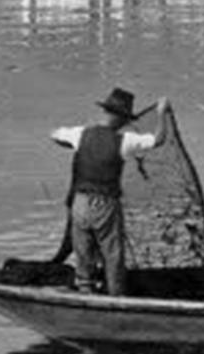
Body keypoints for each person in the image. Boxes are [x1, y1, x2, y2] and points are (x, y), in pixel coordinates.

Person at [50, 87, 172, 295]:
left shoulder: (80, 134)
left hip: (79, 204)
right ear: (121, 118)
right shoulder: (126, 141)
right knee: (112, 255)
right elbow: (158, 139)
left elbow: (54, 135)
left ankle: (85, 293)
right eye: (125, 119)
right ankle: (116, 298)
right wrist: (162, 112)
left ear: (105, 112)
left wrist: (75, 146)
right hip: (105, 205)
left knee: (83, 252)